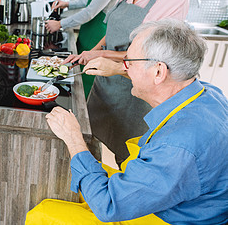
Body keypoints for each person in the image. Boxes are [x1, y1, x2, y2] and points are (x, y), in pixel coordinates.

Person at [26, 19, 228, 224]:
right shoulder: (208, 93)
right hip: (177, 196)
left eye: (128, 62)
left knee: (42, 214)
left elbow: (108, 205)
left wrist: (74, 139)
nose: (125, 67)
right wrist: (118, 70)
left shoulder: (177, 146)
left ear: (158, 72)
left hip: (169, 218)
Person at [63, 0, 189, 164]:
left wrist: (101, 56)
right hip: (107, 83)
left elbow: (149, 56)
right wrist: (93, 50)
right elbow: (111, 24)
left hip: (135, 90)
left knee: (128, 156)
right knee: (92, 140)